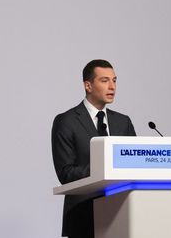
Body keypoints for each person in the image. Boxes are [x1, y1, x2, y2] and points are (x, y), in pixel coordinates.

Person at [51, 59, 136, 238]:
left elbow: (134, 164)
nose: (112, 86)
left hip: (123, 214)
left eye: (114, 80)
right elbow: (66, 173)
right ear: (88, 85)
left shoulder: (123, 122)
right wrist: (105, 169)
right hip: (83, 217)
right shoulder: (66, 121)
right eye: (104, 81)